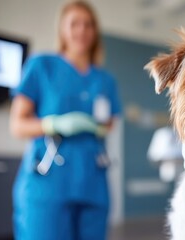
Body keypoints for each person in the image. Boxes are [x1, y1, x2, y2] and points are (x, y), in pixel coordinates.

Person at [9, 1, 121, 239]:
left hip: (92, 182)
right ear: (62, 29)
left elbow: (110, 122)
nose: (82, 30)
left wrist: (97, 127)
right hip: (47, 183)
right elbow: (17, 125)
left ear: (95, 32)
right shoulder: (41, 66)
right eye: (74, 24)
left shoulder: (105, 80)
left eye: (88, 24)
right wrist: (54, 124)